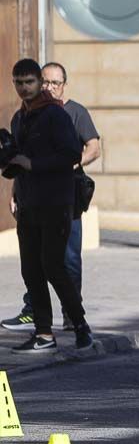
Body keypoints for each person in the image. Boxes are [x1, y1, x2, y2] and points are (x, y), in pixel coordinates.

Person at [2, 62, 101, 333]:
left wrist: (35, 165)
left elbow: (74, 153)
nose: (26, 88)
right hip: (29, 203)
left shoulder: (61, 114)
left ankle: (78, 322)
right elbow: (19, 161)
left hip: (58, 201)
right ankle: (42, 331)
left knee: (57, 265)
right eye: (19, 83)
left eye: (30, 82)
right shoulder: (20, 118)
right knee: (31, 269)